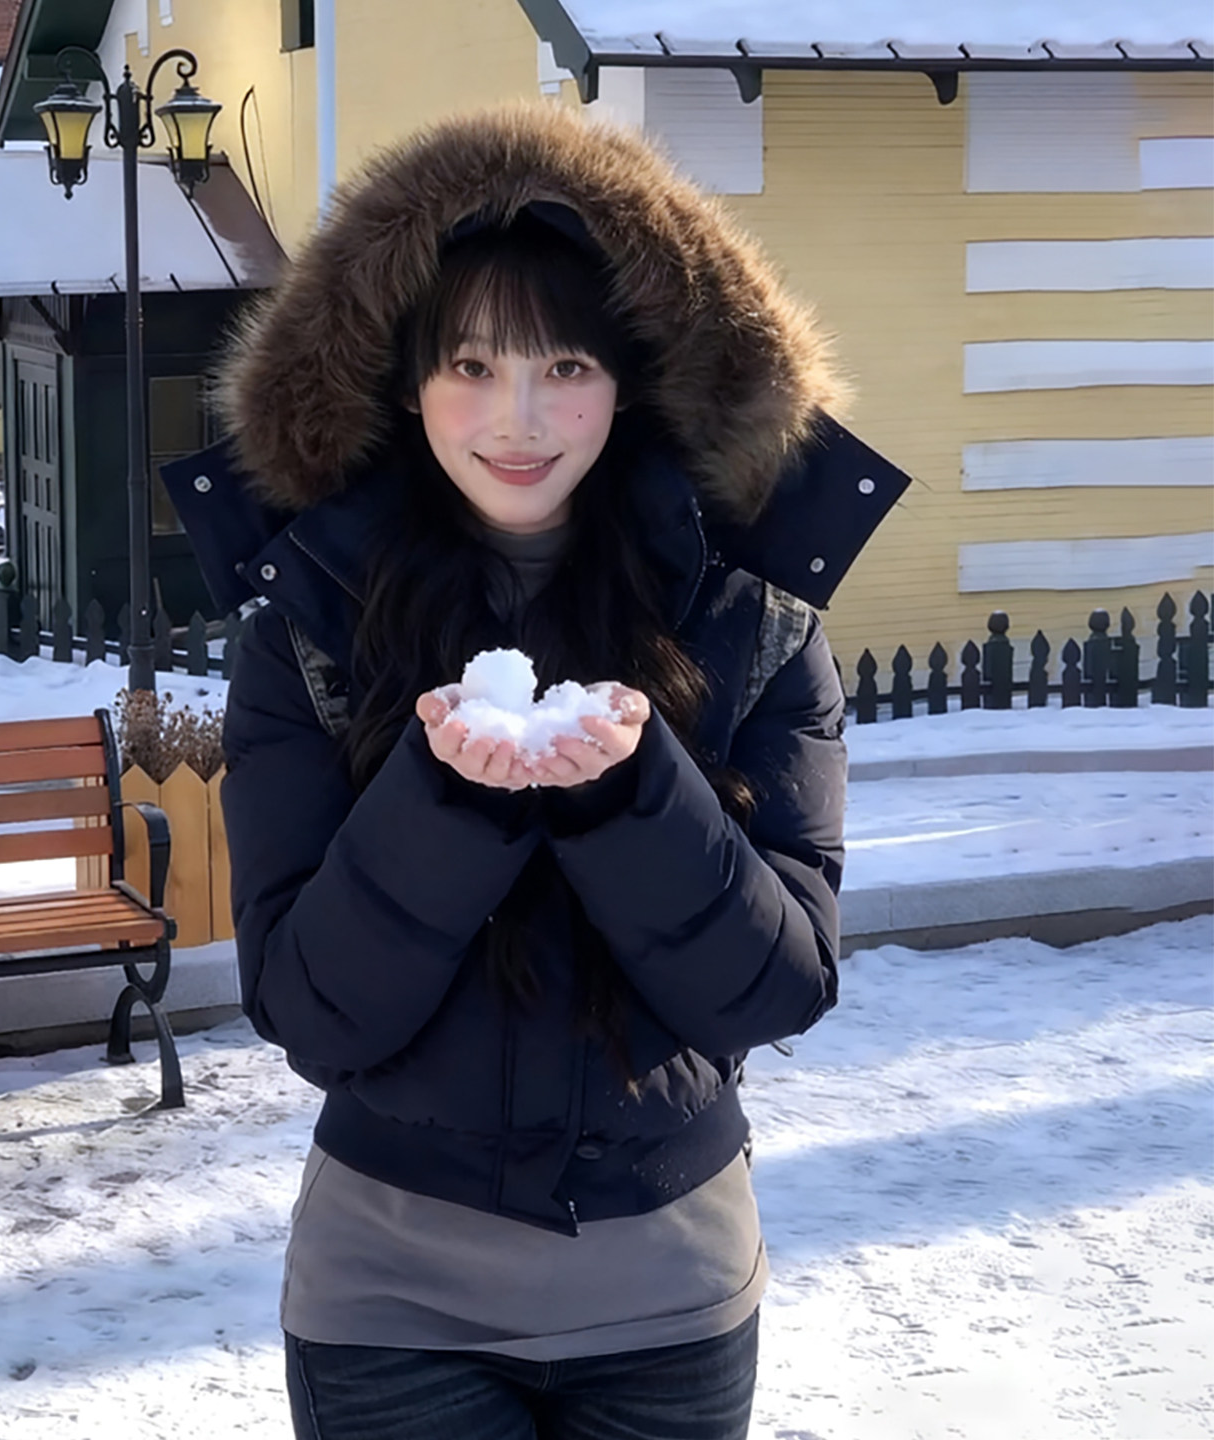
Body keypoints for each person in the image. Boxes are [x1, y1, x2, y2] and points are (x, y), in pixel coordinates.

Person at [206, 102, 903, 1440]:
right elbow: (310, 1014)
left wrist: (630, 799)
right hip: (389, 1307)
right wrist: (449, 802)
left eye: (565, 364)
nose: (517, 418)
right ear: (403, 381)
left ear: (629, 377)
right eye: (470, 365)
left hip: (669, 1301)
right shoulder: (309, 634)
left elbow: (777, 986)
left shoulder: (752, 627)